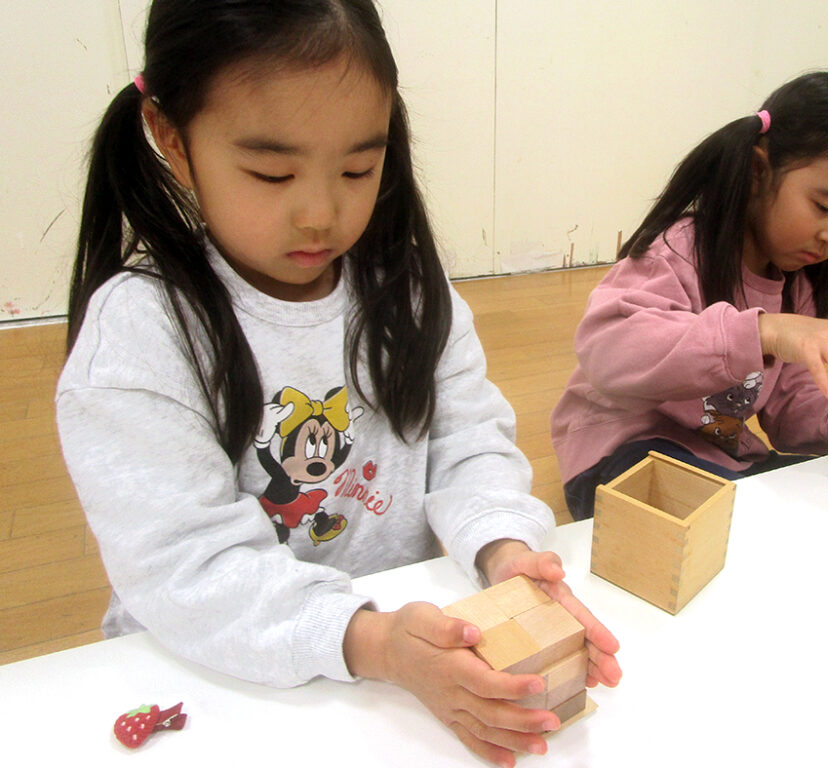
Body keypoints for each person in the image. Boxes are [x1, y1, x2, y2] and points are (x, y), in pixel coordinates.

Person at [56, 2, 619, 765]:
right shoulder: (141, 332)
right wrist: (373, 641)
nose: (321, 214)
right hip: (217, 678)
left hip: (399, 664)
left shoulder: (408, 290)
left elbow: (468, 440)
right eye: (272, 173)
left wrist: (502, 547)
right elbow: (188, 569)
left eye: (357, 169)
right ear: (171, 138)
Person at [551, 72, 828, 521]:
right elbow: (608, 351)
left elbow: (793, 411)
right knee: (740, 520)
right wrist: (764, 331)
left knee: (817, 505)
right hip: (620, 449)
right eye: (825, 207)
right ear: (758, 172)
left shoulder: (798, 284)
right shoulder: (676, 250)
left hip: (721, 457)